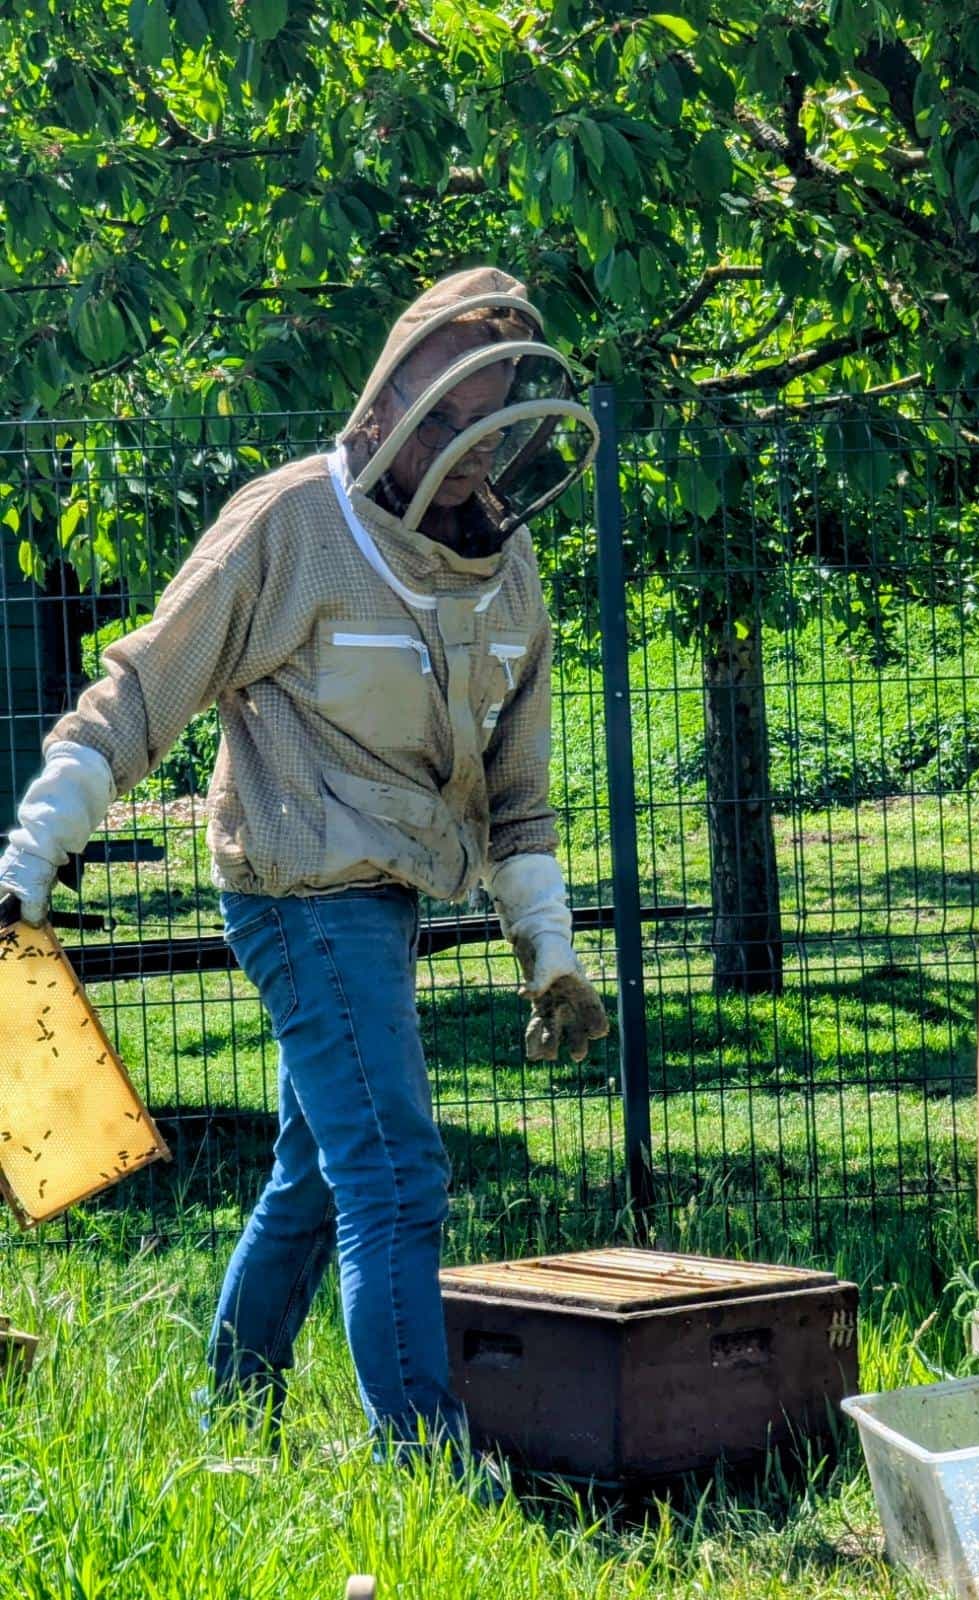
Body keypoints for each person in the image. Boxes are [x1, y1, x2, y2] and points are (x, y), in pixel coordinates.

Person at [0, 267, 609, 1495]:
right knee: (393, 1167)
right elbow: (140, 692)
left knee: (320, 1173)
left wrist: (552, 951)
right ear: (385, 402)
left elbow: (520, 792)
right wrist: (29, 856)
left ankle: (233, 1405)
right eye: (443, 415)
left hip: (389, 898)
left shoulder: (511, 569)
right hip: (296, 889)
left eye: (486, 418)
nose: (466, 450)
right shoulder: (291, 525)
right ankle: (428, 1464)